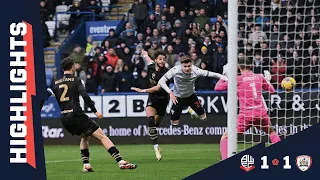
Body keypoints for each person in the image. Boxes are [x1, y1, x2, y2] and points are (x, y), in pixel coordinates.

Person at [46, 57, 137, 172]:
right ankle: (120, 161)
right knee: (102, 136)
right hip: (77, 114)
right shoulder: (77, 80)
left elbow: (44, 96)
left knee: (85, 136)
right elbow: (85, 96)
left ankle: (86, 165)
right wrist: (95, 111)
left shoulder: (55, 83)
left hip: (64, 118)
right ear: (72, 67)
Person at [131, 50, 198, 161]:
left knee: (154, 127)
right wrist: (145, 54)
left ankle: (189, 109)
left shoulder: (167, 72)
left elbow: (158, 88)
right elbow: (148, 59)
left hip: (163, 101)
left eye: (164, 59)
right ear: (156, 60)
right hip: (152, 100)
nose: (162, 61)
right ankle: (156, 148)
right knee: (151, 121)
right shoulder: (151, 66)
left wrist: (142, 90)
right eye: (160, 59)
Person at [214, 58, 281, 160]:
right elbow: (272, 90)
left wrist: (224, 74)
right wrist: (267, 80)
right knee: (272, 132)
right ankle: (283, 154)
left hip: (246, 115)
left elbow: (217, 88)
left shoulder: (237, 79)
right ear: (251, 66)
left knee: (225, 138)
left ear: (238, 67)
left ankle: (225, 162)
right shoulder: (259, 77)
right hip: (261, 113)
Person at [158, 56, 226, 126]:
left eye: (189, 66)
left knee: (203, 117)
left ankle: (192, 110)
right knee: (174, 123)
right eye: (185, 66)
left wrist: (226, 79)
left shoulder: (196, 70)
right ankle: (191, 111)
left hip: (191, 96)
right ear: (181, 65)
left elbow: (213, 74)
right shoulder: (175, 70)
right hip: (178, 98)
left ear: (191, 64)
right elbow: (161, 81)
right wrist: (170, 92)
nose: (187, 68)